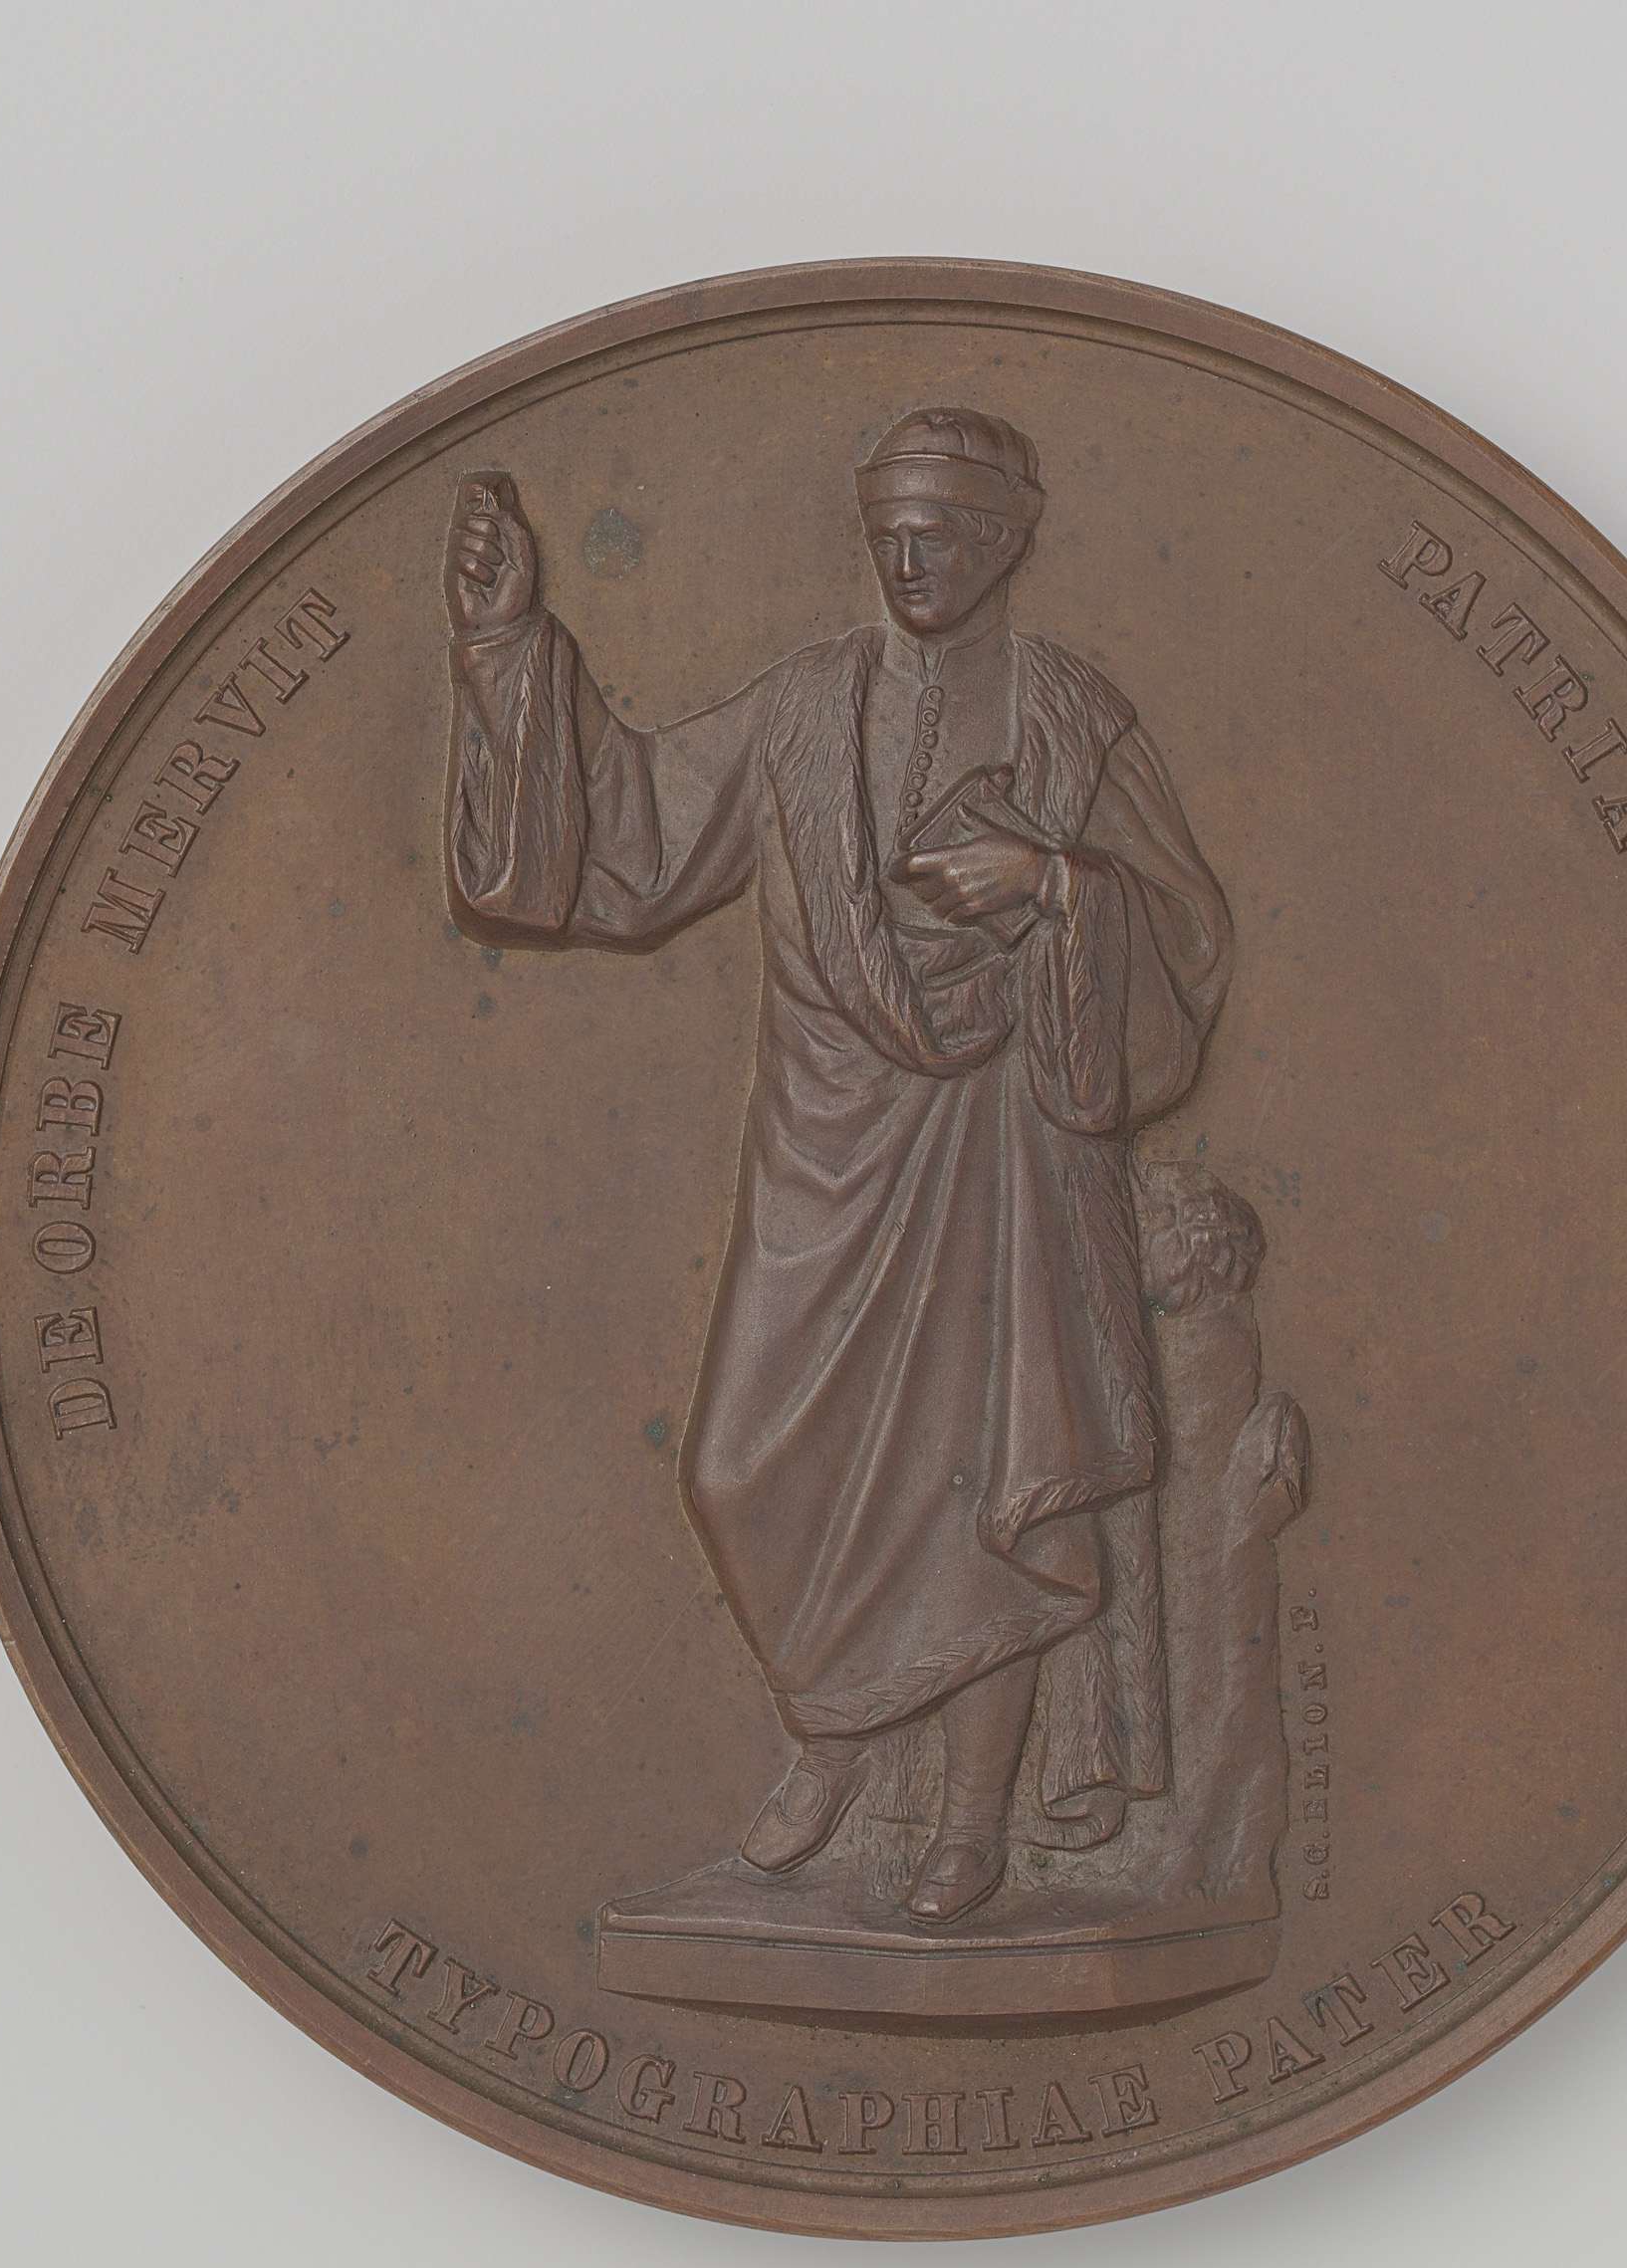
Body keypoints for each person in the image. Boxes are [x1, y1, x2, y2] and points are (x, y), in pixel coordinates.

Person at [444, 407, 1231, 1923]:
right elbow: (635, 841)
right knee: (739, 1460)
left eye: (937, 533)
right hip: (829, 1150)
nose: (908, 559)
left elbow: (1188, 937)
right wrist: (506, 649)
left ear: (1004, 540)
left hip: (1009, 1148)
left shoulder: (1074, 718)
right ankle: (835, 1722)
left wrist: (1054, 883)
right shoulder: (806, 708)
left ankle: (968, 1823)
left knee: (996, 1481)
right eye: (887, 536)